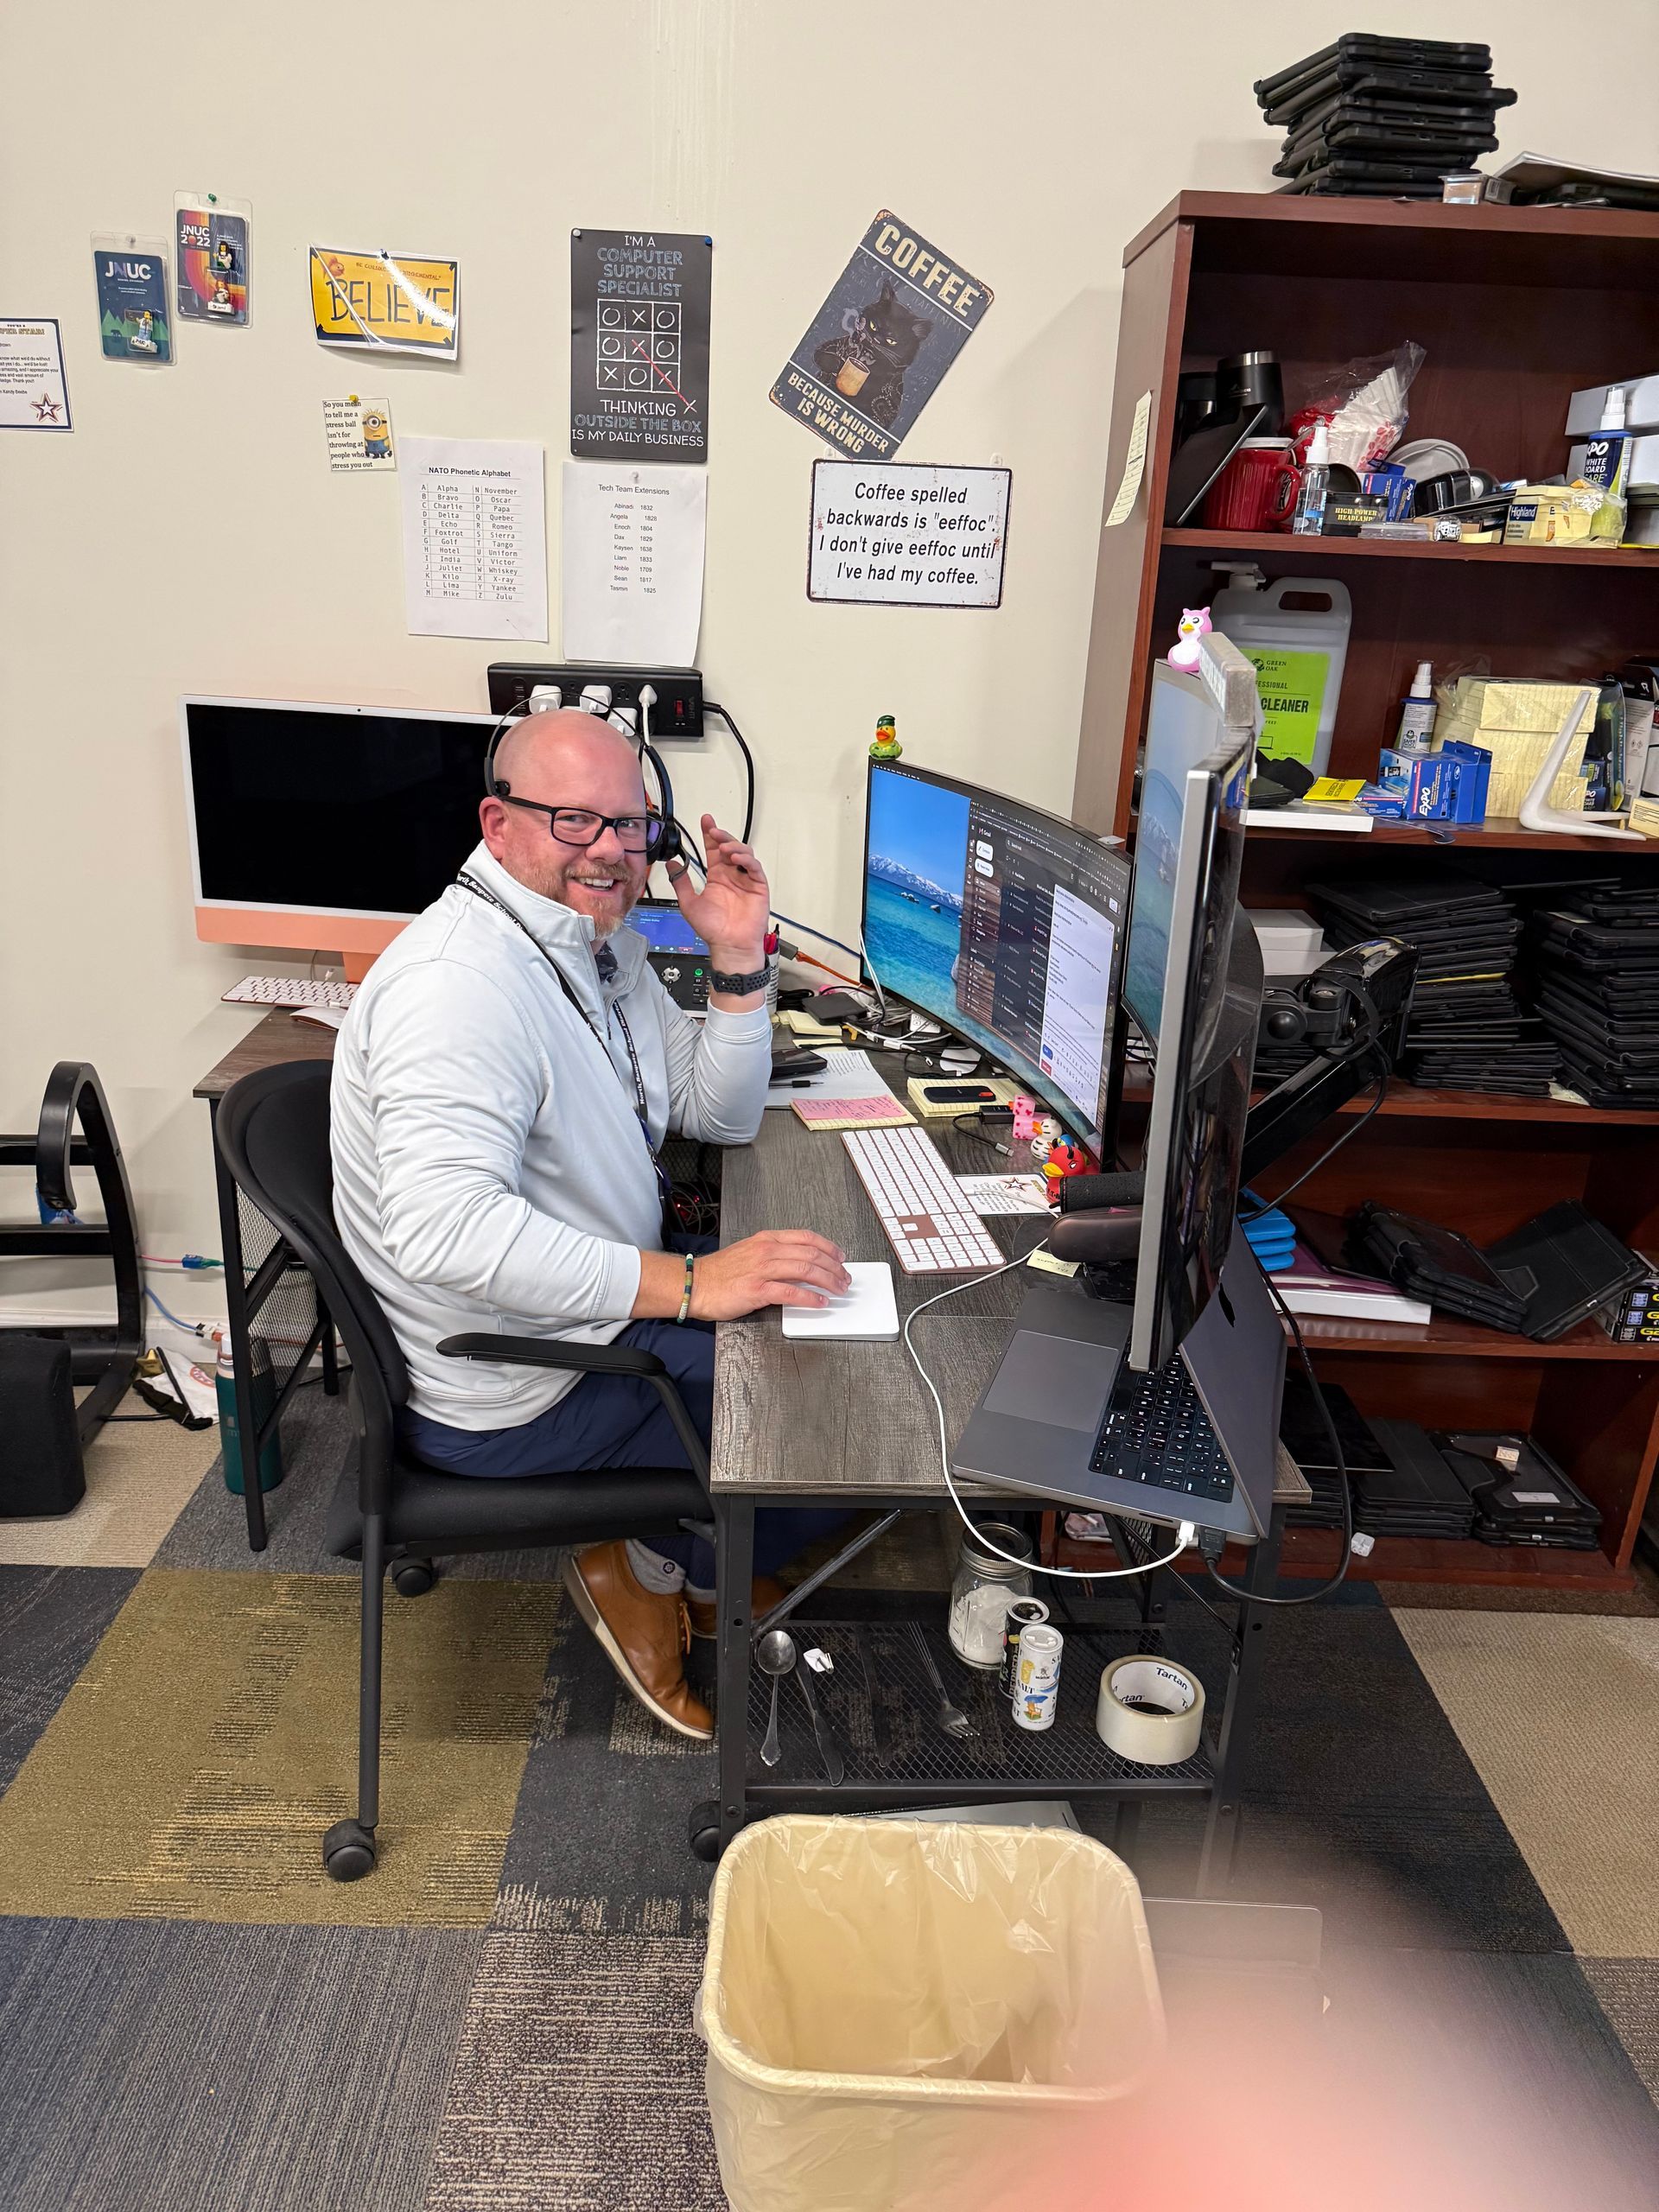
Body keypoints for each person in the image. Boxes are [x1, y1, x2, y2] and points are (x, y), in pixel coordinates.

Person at [330, 708, 851, 1739]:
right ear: (500, 820)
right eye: (577, 820)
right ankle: (655, 1563)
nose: (613, 850)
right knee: (827, 1401)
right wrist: (697, 1288)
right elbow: (446, 1234)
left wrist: (740, 955)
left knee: (815, 1319)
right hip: (523, 1379)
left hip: (591, 1305)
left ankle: (686, 1552)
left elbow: (716, 1109)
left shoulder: (585, 948)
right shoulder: (458, 991)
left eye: (632, 824)